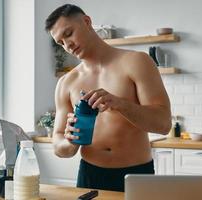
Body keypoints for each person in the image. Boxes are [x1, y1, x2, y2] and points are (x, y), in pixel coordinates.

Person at [45, 4, 171, 192]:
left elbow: (163, 124)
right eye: (61, 43)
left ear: (87, 22)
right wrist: (70, 142)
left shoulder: (137, 62)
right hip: (89, 175)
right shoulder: (66, 83)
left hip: (135, 175)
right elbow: (58, 144)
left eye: (69, 33)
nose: (68, 45)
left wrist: (120, 104)